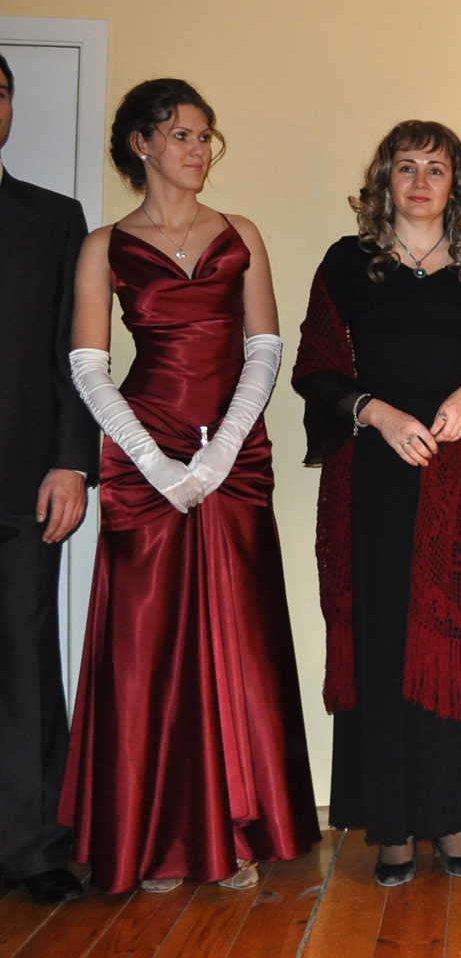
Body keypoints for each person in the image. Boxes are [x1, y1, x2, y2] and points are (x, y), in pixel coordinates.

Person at [62, 78, 318, 894]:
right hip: (145, 458)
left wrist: (220, 453)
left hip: (233, 457)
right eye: (182, 135)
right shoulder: (103, 245)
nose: (199, 149)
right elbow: (89, 367)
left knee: (237, 643)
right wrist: (158, 464)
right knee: (146, 650)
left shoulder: (241, 232)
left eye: (206, 136)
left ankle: (235, 834)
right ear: (141, 144)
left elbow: (265, 348)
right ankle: (155, 843)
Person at [293, 121, 461, 888]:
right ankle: (392, 829)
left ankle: (455, 821)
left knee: (456, 646)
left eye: (436, 167)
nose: (421, 180)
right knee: (386, 648)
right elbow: (316, 367)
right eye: (406, 166)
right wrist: (375, 412)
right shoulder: (348, 262)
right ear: (384, 180)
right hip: (377, 481)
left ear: (456, 183)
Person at [0, 53, 100, 905]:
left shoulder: (53, 218)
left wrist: (73, 460)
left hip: (23, 483)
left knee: (27, 669)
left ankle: (35, 851)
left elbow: (76, 352)